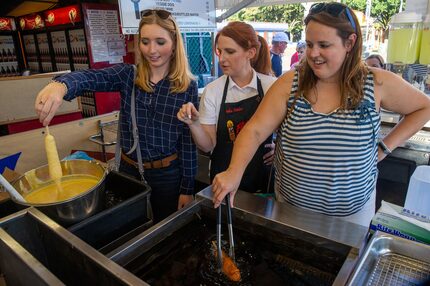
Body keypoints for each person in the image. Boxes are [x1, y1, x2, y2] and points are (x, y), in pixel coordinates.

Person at [211, 2, 430, 227]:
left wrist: (384, 147)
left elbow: (424, 107)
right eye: (309, 44)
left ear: (350, 43)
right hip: (291, 212)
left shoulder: (376, 83)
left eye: (324, 45)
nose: (313, 54)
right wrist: (233, 172)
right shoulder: (290, 83)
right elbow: (255, 131)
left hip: (352, 219)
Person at [35, 9, 198, 223]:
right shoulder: (128, 75)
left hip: (168, 175)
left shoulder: (186, 86)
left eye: (160, 42)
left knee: (165, 230)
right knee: (132, 226)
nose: (152, 50)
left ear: (175, 43)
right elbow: (91, 78)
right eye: (145, 41)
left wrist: (187, 188)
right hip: (129, 170)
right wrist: (61, 85)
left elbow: (188, 142)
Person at [177, 21, 277, 194]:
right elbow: (208, 146)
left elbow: (288, 131)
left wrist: (279, 148)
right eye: (219, 51)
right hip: (223, 179)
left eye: (230, 52)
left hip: (262, 178)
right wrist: (193, 124)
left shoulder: (271, 86)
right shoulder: (213, 91)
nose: (222, 59)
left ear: (250, 53)